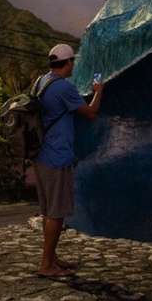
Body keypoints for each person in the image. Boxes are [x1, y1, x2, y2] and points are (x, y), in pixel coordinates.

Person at [34, 43, 103, 277]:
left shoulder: (42, 81)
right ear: (68, 63)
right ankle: (46, 265)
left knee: (48, 210)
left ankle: (51, 257)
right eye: (73, 61)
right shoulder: (64, 87)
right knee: (56, 212)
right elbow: (91, 112)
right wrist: (98, 90)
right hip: (57, 156)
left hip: (41, 155)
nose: (74, 64)